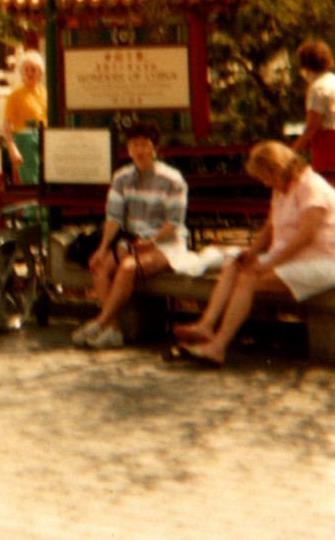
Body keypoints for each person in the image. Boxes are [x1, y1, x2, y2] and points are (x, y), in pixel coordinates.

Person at [170, 141, 335, 367]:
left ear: (276, 169)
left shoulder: (311, 186)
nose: (265, 183)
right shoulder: (282, 187)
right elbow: (270, 226)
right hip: (294, 257)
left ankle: (217, 347)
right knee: (235, 264)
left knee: (249, 277)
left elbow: (306, 236)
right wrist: (251, 253)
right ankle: (206, 325)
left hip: (322, 261)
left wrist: (269, 264)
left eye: (265, 176)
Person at [72, 121, 188, 349]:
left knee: (127, 267)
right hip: (133, 242)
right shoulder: (121, 177)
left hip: (166, 245)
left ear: (155, 147)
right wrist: (102, 248)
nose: (140, 150)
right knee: (99, 265)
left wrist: (151, 241)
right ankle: (112, 330)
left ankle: (99, 322)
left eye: (145, 144)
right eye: (134, 145)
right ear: (128, 149)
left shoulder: (173, 179)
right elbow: (114, 217)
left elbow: (174, 222)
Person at [1, 50, 47, 180]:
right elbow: (6, 124)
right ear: (21, 72)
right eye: (26, 70)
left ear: (39, 72)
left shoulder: (44, 93)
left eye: (33, 69)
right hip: (25, 141)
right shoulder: (15, 95)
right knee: (31, 181)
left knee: (45, 180)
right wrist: (12, 148)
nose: (30, 73)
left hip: (44, 138)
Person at [292, 39, 335, 175]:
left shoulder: (317, 88)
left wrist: (293, 150)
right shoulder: (332, 80)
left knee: (327, 183)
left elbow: (312, 126)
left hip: (328, 142)